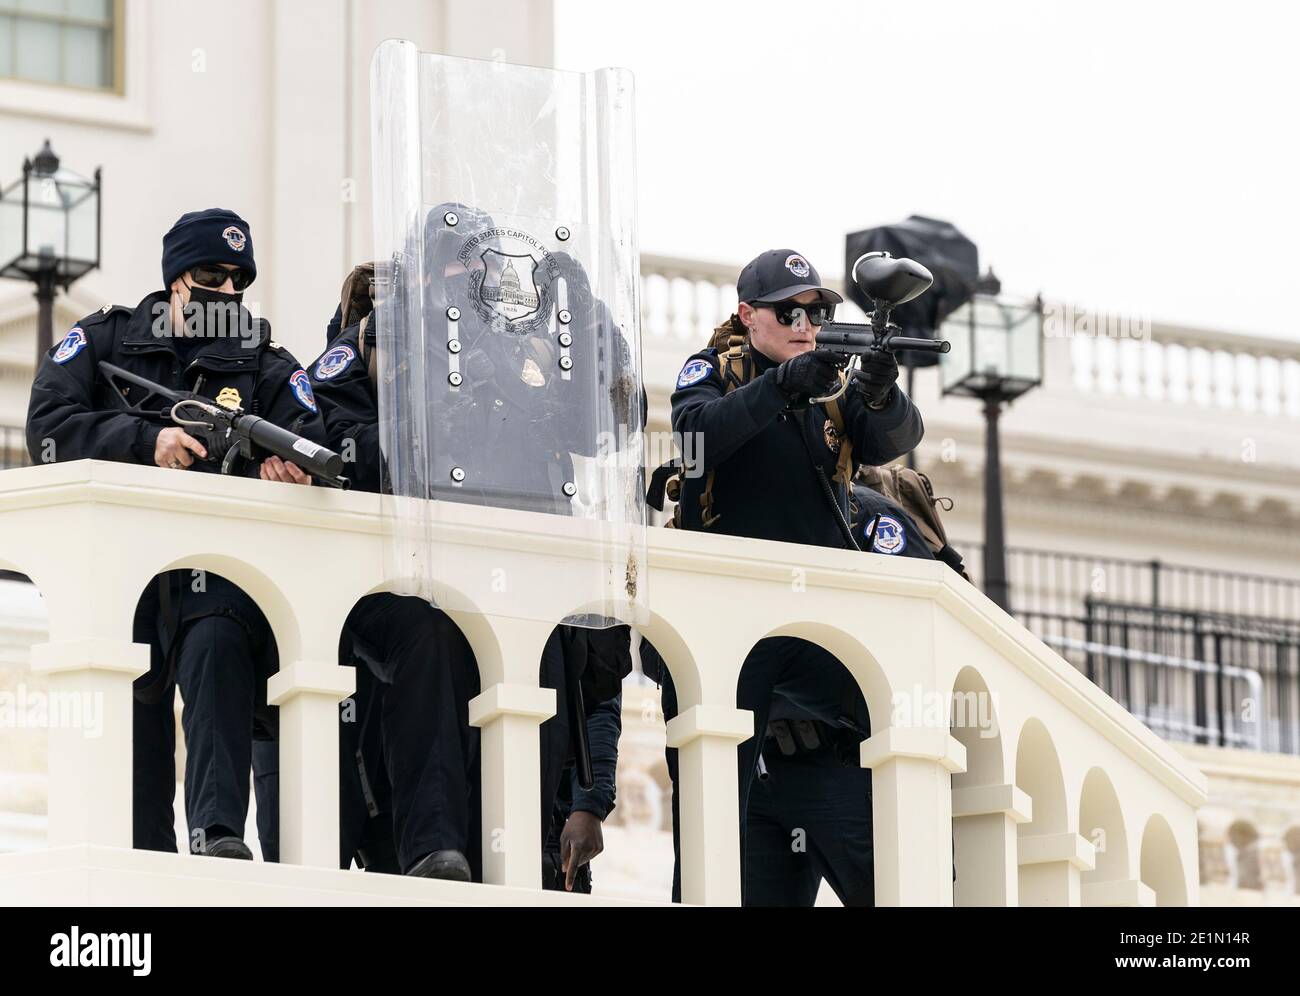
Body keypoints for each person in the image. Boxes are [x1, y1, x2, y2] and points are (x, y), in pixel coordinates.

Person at [26, 207, 326, 859]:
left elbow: (315, 441)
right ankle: (144, 859)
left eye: (238, 279)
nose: (227, 290)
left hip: (215, 571)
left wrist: (285, 468)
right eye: (210, 274)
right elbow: (48, 426)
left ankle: (217, 835)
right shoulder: (107, 340)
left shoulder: (263, 362)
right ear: (175, 281)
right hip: (120, 574)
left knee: (218, 653)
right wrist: (145, 439)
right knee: (133, 717)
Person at [662, 248, 925, 903]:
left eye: (818, 310)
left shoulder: (831, 393)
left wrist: (880, 389)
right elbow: (694, 442)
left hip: (816, 627)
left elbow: (895, 438)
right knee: (709, 815)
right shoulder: (715, 370)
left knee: (890, 852)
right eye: (789, 311)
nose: (806, 322)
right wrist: (783, 386)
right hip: (729, 620)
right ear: (749, 315)